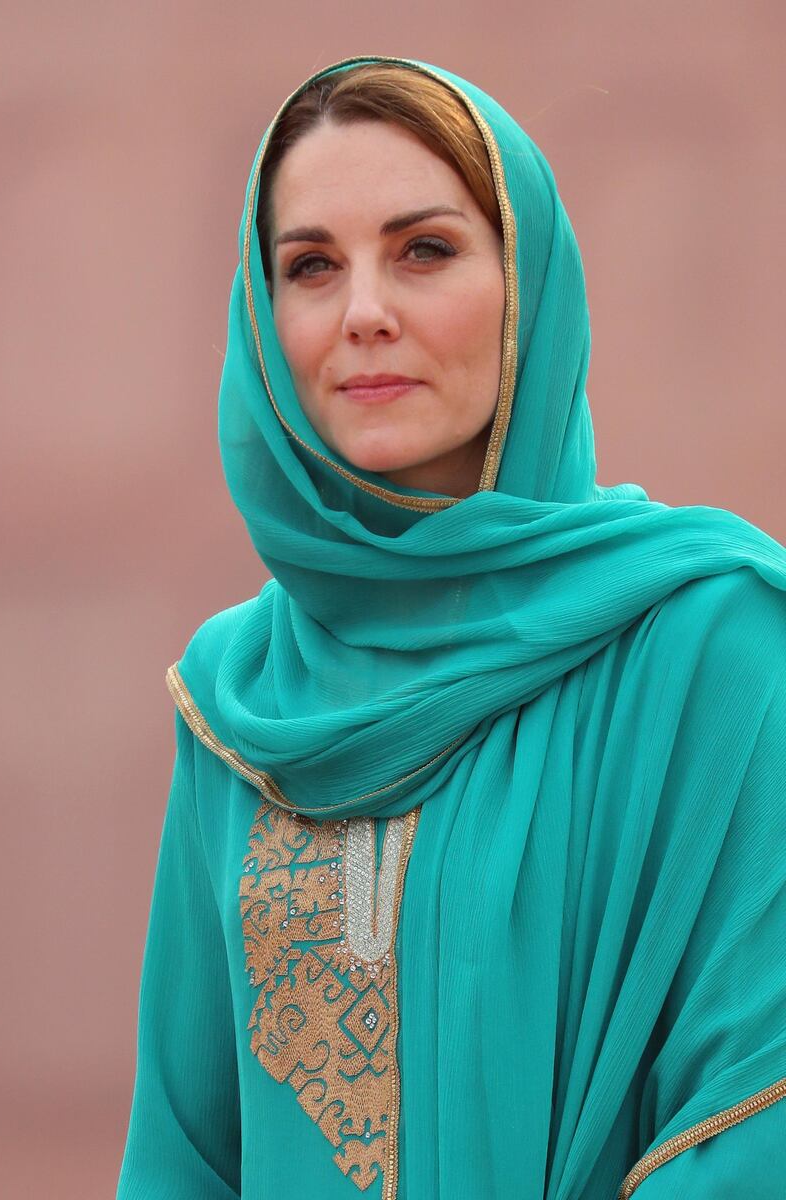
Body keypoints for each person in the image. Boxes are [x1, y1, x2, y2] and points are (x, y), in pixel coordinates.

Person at [115, 55, 786, 1200]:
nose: (363, 313)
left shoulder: (708, 638)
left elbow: (756, 1107)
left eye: (423, 250)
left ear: (530, 283)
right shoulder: (239, 698)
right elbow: (182, 1150)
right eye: (310, 266)